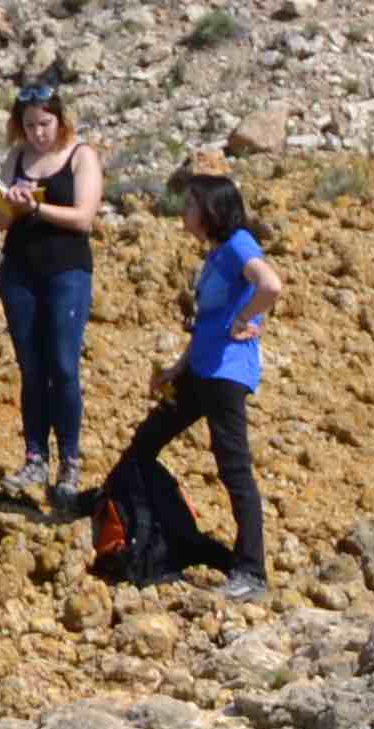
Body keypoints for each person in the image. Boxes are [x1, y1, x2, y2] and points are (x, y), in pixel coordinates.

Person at [109, 158, 278, 600]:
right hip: (200, 370)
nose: (183, 213)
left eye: (190, 205)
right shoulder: (216, 253)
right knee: (143, 447)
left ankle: (252, 571)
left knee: (234, 469)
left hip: (225, 375)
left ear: (211, 210)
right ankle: (164, 533)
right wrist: (176, 369)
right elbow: (207, 323)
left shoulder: (240, 244)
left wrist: (246, 317)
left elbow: (271, 285)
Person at [0, 83, 100, 505]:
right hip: (19, 271)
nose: (38, 133)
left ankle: (69, 458)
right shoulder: (16, 157)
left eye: (45, 124)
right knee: (30, 367)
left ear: (60, 120)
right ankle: (34, 455)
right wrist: (10, 203)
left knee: (64, 366)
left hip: (66, 271)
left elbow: (84, 217)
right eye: (29, 125)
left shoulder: (80, 156)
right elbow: (0, 222)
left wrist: (37, 207)